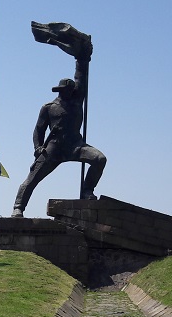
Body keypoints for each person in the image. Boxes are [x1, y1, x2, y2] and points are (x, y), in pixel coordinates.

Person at [11, 37, 106, 217]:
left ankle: (87, 191)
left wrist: (83, 57)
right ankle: (18, 207)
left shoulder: (78, 101)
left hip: (75, 146)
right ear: (62, 91)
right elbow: (38, 130)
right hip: (53, 148)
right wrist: (38, 148)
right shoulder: (48, 108)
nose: (73, 92)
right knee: (32, 179)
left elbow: (81, 76)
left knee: (99, 159)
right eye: (69, 90)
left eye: (74, 89)